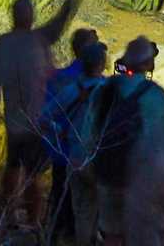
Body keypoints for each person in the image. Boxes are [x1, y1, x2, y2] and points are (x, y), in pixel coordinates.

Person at [0, 0, 83, 229]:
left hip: (13, 120)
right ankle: (34, 221)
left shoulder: (1, 45)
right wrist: (70, 4)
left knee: (13, 165)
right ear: (29, 16)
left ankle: (8, 216)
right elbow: (58, 25)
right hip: (37, 119)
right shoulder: (37, 39)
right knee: (33, 174)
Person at [76, 36, 164, 246]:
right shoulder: (155, 95)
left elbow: (89, 132)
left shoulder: (103, 89)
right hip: (141, 179)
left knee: (112, 234)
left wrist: (90, 169)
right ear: (149, 63)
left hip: (108, 174)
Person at [45, 37, 108, 241]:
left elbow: (43, 118)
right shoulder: (110, 91)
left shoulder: (72, 89)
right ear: (102, 64)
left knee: (82, 211)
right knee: (104, 211)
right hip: (99, 159)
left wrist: (60, 131)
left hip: (75, 157)